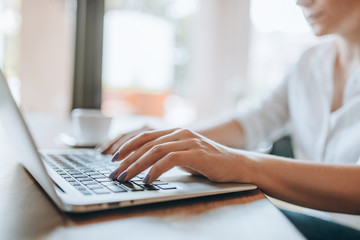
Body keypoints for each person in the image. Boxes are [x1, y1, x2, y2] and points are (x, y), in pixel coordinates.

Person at [100, 0, 360, 238]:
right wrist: (167, 140)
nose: (301, 1)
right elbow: (251, 122)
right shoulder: (308, 63)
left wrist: (240, 163)